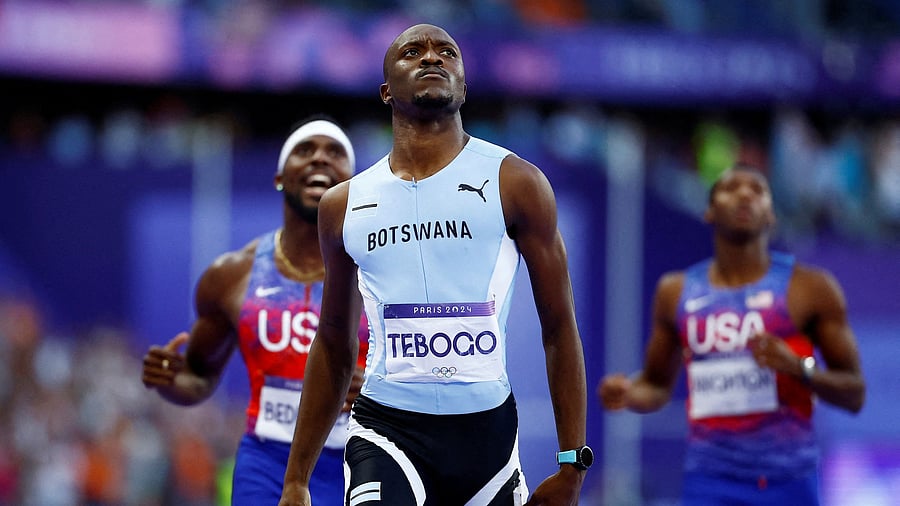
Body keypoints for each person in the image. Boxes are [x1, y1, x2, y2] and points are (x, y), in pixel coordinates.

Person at [279, 23, 589, 506]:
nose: (431, 58)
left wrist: (573, 462)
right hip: (387, 431)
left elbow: (559, 327)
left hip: (488, 442)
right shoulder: (343, 205)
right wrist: (296, 478)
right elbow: (334, 341)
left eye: (447, 51)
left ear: (463, 85)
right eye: (412, 52)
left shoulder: (516, 182)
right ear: (386, 91)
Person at [597, 163, 866, 505]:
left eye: (757, 190)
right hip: (709, 480)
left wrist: (799, 368)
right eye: (730, 188)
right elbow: (657, 386)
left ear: (771, 214)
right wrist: (630, 393)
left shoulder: (810, 289)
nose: (744, 195)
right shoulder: (677, 292)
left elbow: (854, 393)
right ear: (709, 211)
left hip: (789, 480)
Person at [141, 116, 369, 505]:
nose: (319, 159)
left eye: (334, 153)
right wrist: (172, 383)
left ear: (353, 182)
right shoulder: (231, 276)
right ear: (280, 176)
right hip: (267, 464)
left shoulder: (381, 269)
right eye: (305, 150)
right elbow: (199, 377)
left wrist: (380, 389)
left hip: (361, 458)